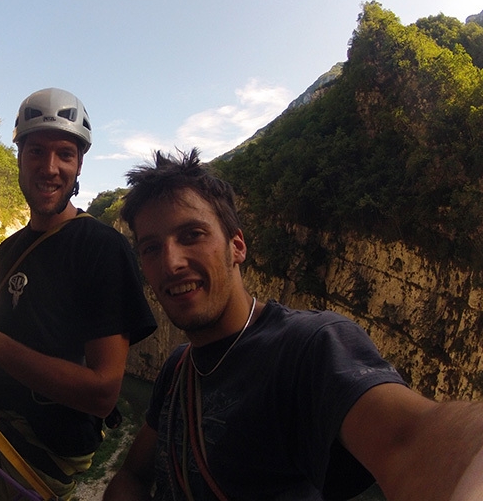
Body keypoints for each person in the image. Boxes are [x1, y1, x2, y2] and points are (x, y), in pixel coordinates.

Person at [104, 148, 483, 501]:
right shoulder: (177, 368)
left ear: (236, 246)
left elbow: (411, 439)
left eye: (192, 235)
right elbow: (134, 474)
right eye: (151, 248)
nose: (171, 262)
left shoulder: (309, 346)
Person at [0, 87, 157, 501]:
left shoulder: (101, 249)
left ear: (78, 168)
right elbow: (5, 343)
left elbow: (102, 392)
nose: (50, 167)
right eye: (37, 151)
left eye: (65, 155)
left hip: (40, 462)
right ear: (20, 158)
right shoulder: (8, 251)